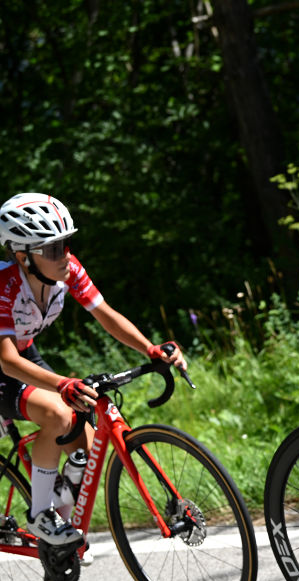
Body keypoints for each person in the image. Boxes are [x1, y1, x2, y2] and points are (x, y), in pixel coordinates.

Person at [0, 193, 186, 547]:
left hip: (23, 354)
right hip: (4, 361)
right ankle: (41, 516)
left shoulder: (67, 270)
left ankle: (61, 538)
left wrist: (150, 348)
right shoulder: (4, 285)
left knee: (85, 449)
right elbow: (7, 361)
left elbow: (106, 315)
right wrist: (63, 384)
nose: (65, 255)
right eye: (53, 249)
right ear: (24, 257)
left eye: (66, 244)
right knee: (57, 411)